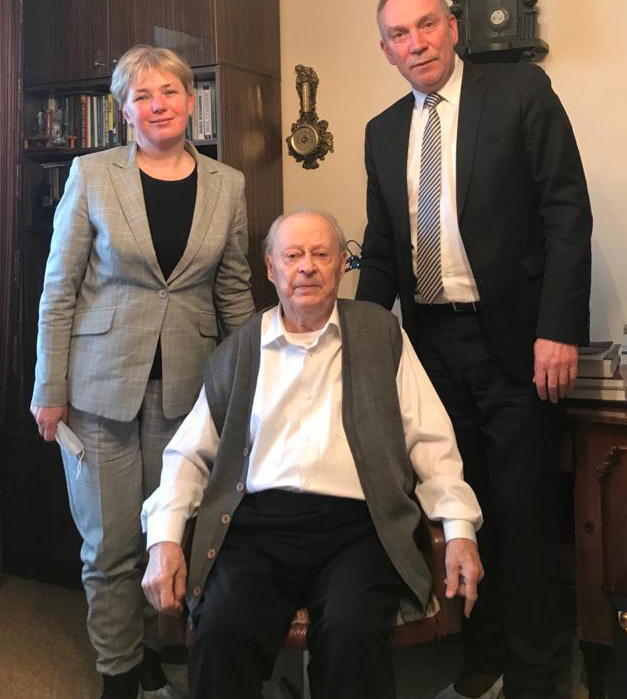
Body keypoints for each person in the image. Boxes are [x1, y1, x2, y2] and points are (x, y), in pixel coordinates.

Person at [355, 0, 593, 699]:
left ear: (453, 28)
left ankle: (539, 677)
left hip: (517, 343)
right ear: (386, 50)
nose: (416, 43)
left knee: (524, 517)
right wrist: (358, 348)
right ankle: (483, 659)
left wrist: (558, 330)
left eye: (427, 25)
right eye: (399, 34)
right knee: (461, 510)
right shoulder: (381, 131)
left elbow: (566, 213)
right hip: (429, 348)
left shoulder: (520, 91)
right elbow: (382, 249)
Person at [141, 209, 484, 699]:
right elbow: (188, 456)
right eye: (293, 255)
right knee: (221, 627)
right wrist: (165, 539)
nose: (307, 267)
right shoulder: (241, 349)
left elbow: (431, 443)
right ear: (271, 268)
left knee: (350, 631)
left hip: (359, 530)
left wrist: (459, 530)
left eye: (321, 254)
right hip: (255, 530)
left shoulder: (380, 334)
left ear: (342, 265)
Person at [30, 45, 255, 699]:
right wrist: (48, 389)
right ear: (124, 111)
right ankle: (119, 672)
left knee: (171, 532)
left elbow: (233, 291)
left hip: (188, 390)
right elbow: (58, 290)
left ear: (191, 101)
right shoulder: (92, 174)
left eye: (170, 92)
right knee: (109, 546)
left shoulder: (228, 185)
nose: (158, 106)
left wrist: (252, 387)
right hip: (96, 390)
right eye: (142, 96)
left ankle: (154, 649)